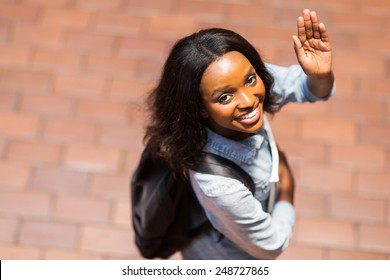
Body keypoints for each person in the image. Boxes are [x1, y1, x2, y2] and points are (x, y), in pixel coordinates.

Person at [142, 9, 335, 259]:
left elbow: (307, 88)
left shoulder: (242, 79)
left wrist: (319, 75)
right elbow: (272, 244)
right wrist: (287, 188)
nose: (248, 100)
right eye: (224, 97)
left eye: (251, 79)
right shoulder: (220, 187)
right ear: (198, 108)